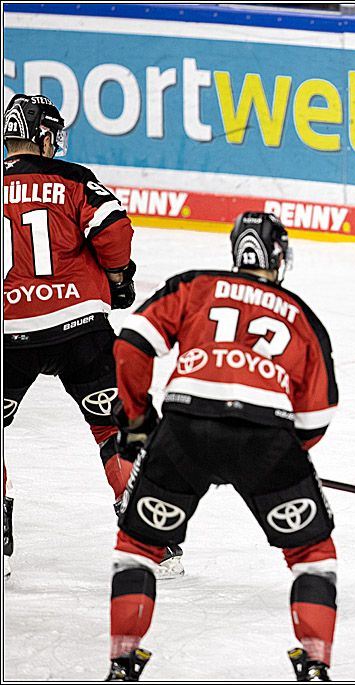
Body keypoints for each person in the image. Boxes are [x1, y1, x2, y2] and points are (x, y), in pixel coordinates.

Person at [105, 212, 339, 681]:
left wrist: (137, 419)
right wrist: (285, 457)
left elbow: (130, 344)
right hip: (267, 437)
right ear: (278, 257)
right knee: (313, 553)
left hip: (184, 430)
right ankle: (315, 666)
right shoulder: (300, 313)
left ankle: (122, 663)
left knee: (139, 546)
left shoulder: (195, 285)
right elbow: (316, 416)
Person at [1, 93, 151, 580]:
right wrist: (119, 277)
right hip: (80, 326)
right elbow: (112, 229)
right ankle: (148, 540)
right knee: (115, 426)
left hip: (9, 335)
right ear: (45, 137)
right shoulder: (72, 177)